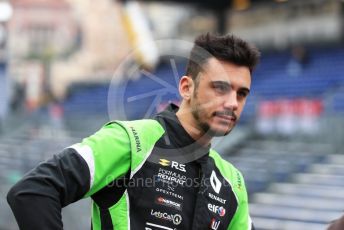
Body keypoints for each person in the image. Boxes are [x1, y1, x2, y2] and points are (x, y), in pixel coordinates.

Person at [7, 33, 260, 230]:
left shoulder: (233, 181)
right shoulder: (131, 141)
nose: (232, 103)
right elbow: (34, 191)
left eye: (241, 93)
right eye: (220, 88)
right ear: (186, 88)